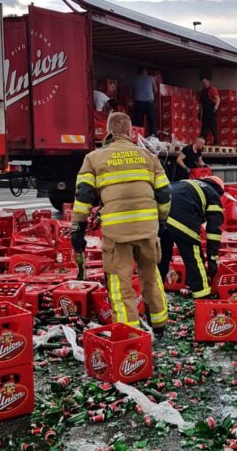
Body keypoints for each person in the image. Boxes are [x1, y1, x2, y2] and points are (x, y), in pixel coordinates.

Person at [71, 112, 171, 337]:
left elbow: (84, 196)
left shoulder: (95, 158)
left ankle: (129, 333)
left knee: (120, 283)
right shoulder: (148, 156)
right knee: (151, 276)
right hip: (147, 229)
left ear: (108, 131)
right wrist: (161, 220)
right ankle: (159, 324)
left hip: (117, 234)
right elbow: (164, 193)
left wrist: (77, 227)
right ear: (130, 132)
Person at [158, 176, 224, 299]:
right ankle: (202, 296)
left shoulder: (186, 183)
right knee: (194, 258)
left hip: (160, 216)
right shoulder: (213, 195)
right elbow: (213, 233)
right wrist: (212, 261)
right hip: (181, 216)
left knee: (162, 258)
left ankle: (155, 298)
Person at [132, 67, 158, 137]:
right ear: (145, 72)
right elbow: (156, 90)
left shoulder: (135, 79)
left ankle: (138, 137)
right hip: (149, 102)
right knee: (151, 121)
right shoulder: (150, 78)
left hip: (139, 102)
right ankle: (153, 137)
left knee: (138, 122)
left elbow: (132, 91)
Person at [199, 75, 220, 145]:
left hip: (211, 111)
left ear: (208, 82)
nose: (203, 84)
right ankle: (202, 143)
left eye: (204, 82)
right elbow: (201, 104)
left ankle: (216, 142)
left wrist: (215, 109)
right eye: (202, 83)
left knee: (213, 127)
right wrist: (200, 112)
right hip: (205, 112)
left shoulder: (212, 89)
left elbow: (218, 99)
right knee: (204, 129)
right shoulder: (202, 91)